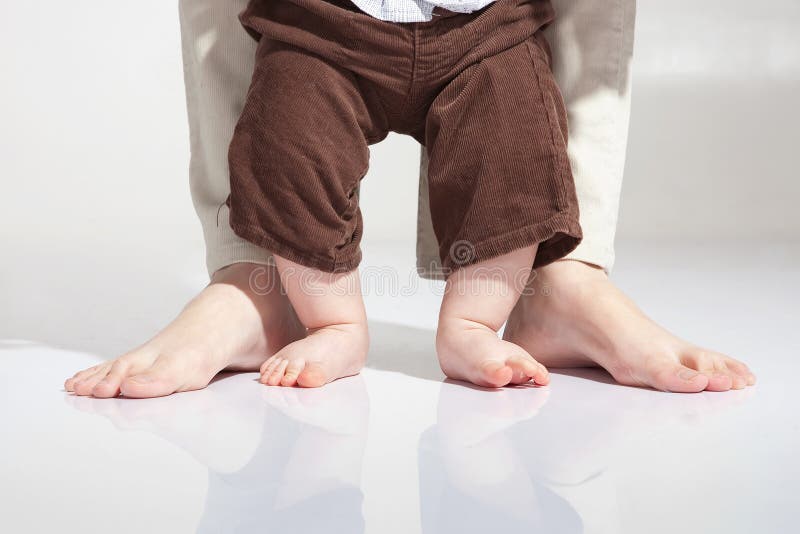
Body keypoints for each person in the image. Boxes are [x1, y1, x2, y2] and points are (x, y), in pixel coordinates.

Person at [64, 0, 755, 398]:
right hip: (321, 24)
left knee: (514, 151)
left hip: (488, 26)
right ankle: (302, 304)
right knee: (285, 141)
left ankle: (506, 307)